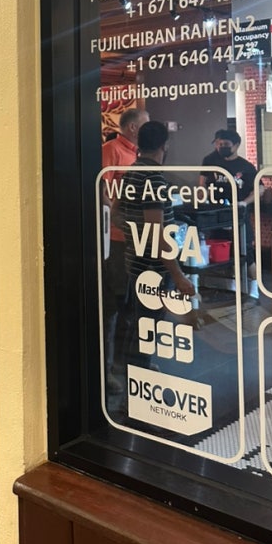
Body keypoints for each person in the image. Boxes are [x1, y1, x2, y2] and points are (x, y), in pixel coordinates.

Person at [111, 121, 195, 375]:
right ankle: (140, 376)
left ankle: (128, 367)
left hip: (134, 259)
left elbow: (115, 214)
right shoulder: (154, 178)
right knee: (149, 322)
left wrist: (135, 232)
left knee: (137, 318)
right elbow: (157, 233)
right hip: (153, 266)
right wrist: (178, 276)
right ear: (164, 145)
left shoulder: (132, 171)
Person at [100, 108, 149, 383]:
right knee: (115, 306)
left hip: (135, 239)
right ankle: (107, 369)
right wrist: (119, 218)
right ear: (133, 128)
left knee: (133, 305)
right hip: (117, 240)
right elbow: (102, 193)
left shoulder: (139, 155)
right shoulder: (111, 151)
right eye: (145, 124)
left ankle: (126, 362)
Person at [198, 128, 260, 277]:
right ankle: (228, 284)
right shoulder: (210, 161)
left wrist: (244, 203)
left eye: (226, 144)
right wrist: (202, 197)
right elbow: (202, 184)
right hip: (216, 215)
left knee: (246, 252)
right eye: (219, 144)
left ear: (236, 145)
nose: (221, 147)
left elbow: (259, 189)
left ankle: (254, 288)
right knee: (220, 253)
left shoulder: (246, 167)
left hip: (238, 215)